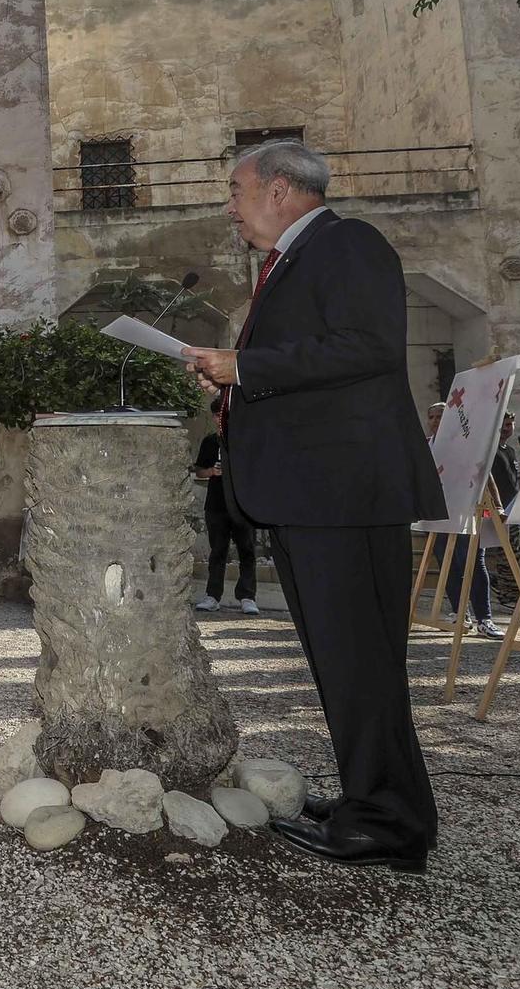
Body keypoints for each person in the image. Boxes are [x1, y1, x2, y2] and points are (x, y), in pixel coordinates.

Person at [182, 139, 444, 874]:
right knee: (346, 662)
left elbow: (367, 348)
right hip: (314, 493)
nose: (229, 206)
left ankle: (386, 818)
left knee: (362, 661)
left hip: (346, 494)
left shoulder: (346, 243)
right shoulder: (289, 261)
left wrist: (247, 365)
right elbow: (315, 366)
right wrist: (236, 382)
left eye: (235, 189)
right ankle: (382, 801)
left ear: (281, 188)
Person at [443, 411, 520, 640]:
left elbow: (487, 477)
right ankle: (460, 612)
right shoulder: (442, 446)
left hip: (478, 513)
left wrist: (497, 506)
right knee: (451, 563)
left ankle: (484, 618)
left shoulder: (481, 446)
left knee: (476, 563)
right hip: (448, 513)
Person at [190, 398, 258, 615]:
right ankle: (213, 596)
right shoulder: (210, 441)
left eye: (224, 414)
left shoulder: (245, 440)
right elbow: (198, 471)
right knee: (218, 552)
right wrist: (212, 472)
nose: (221, 418)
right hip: (216, 505)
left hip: (242, 504)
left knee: (247, 550)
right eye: (218, 415)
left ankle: (247, 597)